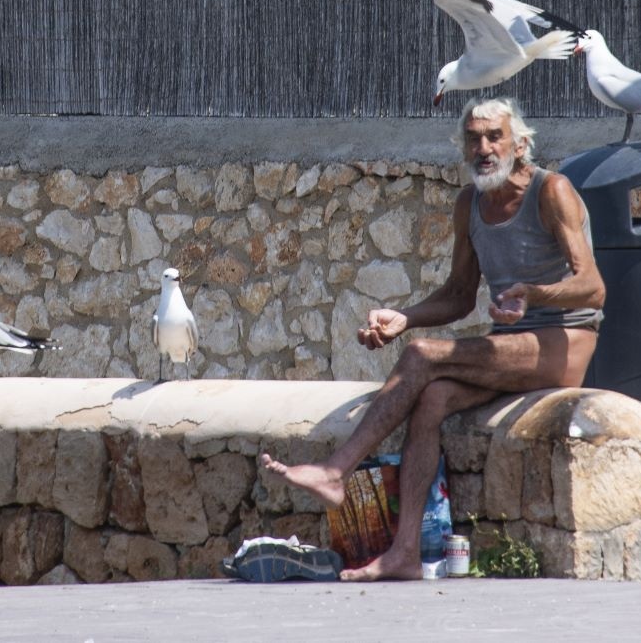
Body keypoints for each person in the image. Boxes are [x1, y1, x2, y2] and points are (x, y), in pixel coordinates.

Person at [259, 97, 605, 581]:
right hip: (512, 344)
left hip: (564, 341)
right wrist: (404, 317)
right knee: (433, 398)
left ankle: (337, 470)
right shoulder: (470, 204)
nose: (483, 148)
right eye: (473, 138)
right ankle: (404, 554)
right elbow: (460, 295)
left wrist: (533, 293)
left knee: (424, 356)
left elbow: (593, 285)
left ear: (519, 142)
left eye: (494, 136)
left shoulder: (553, 191)